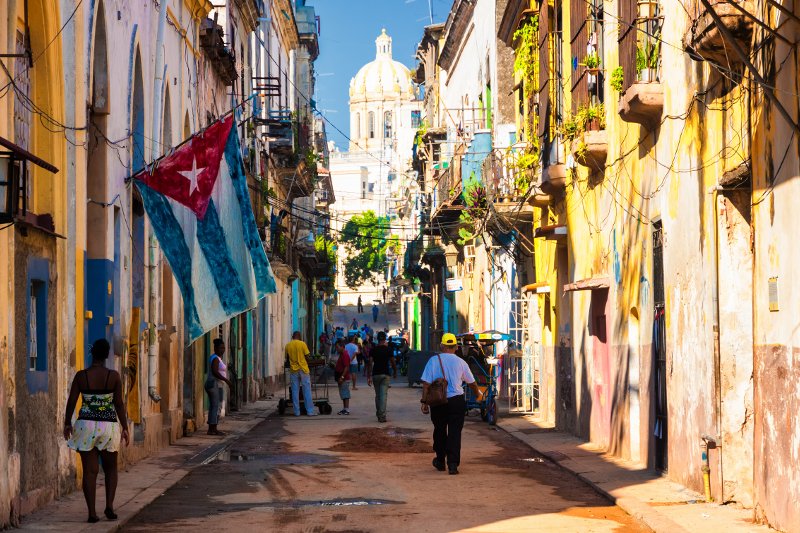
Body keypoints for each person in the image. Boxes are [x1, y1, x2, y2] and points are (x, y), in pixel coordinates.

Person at [63, 339, 129, 523]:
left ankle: (92, 513)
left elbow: (72, 401)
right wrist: (125, 427)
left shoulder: (81, 376)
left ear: (92, 353)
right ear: (107, 355)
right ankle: (109, 506)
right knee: (111, 469)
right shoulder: (113, 376)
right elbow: (119, 404)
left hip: (86, 426)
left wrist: (67, 423)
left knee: (90, 471)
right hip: (108, 426)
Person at [420, 333, 482, 475]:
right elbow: (471, 382)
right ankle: (453, 465)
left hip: (438, 402)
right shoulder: (461, 362)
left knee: (439, 430)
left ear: (442, 346)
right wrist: (478, 393)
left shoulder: (433, 360)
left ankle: (440, 461)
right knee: (455, 432)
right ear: (456, 347)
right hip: (456, 401)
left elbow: (426, 384)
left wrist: (424, 402)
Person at [285, 331, 318, 416]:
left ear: (292, 336)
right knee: (306, 390)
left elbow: (287, 359)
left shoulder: (288, 345)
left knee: (295, 391)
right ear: (299, 336)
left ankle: (296, 412)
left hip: (294, 370)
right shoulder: (302, 344)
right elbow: (307, 357)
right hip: (303, 370)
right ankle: (310, 411)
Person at [205, 339, 233, 435]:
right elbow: (215, 372)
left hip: (216, 384)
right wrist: (226, 380)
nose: (222, 350)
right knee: (216, 406)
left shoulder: (216, 358)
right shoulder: (215, 358)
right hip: (214, 384)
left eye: (223, 348)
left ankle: (213, 428)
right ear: (215, 348)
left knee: (215, 405)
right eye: (220, 348)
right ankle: (212, 429)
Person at [368, 331, 396, 423]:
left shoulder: (373, 350)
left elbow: (370, 363)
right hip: (385, 374)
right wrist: (395, 371)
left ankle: (379, 413)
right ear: (384, 339)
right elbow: (393, 362)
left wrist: (369, 376)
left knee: (378, 395)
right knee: (383, 395)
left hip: (376, 374)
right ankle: (382, 416)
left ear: (377, 339)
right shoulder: (388, 350)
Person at [333, 340, 351, 415]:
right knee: (343, 393)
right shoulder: (341, 354)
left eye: (337, 347)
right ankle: (344, 408)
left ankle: (346, 409)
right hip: (341, 377)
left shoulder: (345, 355)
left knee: (345, 393)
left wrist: (342, 377)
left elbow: (346, 367)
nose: (336, 349)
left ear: (342, 347)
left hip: (344, 378)